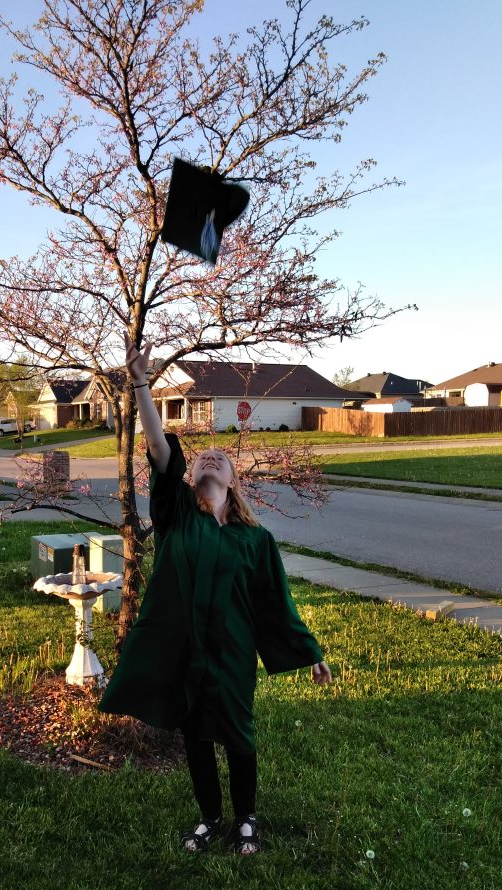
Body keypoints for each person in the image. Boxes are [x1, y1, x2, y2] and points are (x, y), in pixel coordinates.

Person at [99, 339, 332, 855]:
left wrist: (309, 650)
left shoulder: (255, 541)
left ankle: (246, 818)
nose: (209, 457)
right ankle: (209, 818)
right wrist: (141, 383)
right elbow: (160, 448)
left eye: (219, 458)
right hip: (186, 649)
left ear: (232, 482)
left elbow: (276, 604)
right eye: (202, 455)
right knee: (196, 737)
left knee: (238, 733)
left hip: (230, 652)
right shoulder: (177, 514)